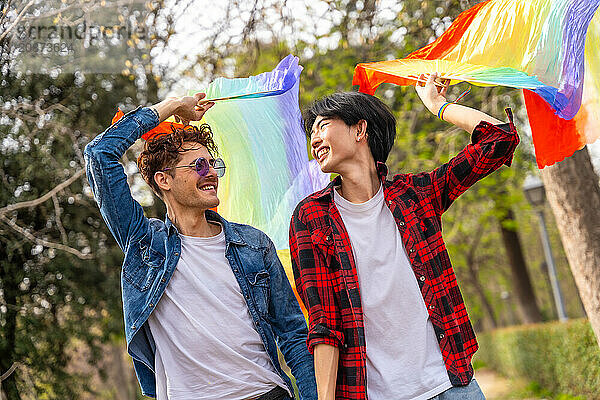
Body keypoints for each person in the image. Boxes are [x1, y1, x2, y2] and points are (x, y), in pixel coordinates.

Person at [289, 73, 520, 400]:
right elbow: (325, 324)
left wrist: (439, 106)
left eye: (323, 125)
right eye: (311, 131)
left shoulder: (416, 194)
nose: (314, 138)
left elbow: (499, 140)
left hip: (452, 385)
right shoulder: (311, 217)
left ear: (359, 130)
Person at [84, 93, 317, 400]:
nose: (210, 173)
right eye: (197, 165)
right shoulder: (147, 246)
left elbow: (294, 335)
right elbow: (100, 154)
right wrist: (171, 106)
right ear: (164, 180)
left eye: (212, 164)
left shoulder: (254, 246)